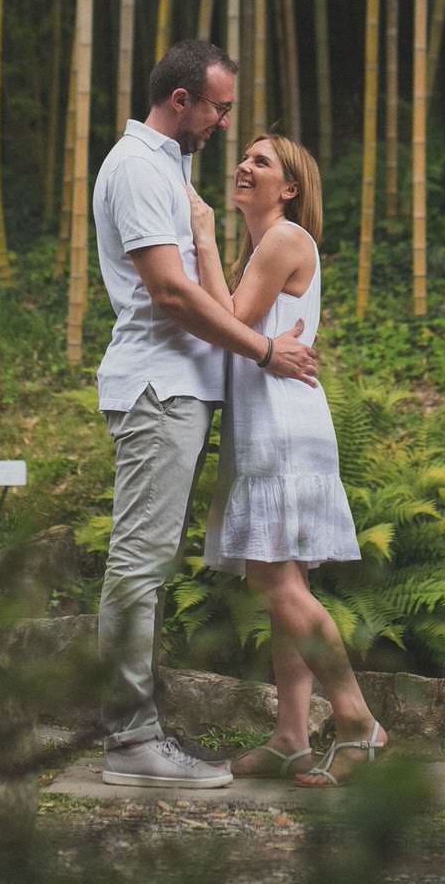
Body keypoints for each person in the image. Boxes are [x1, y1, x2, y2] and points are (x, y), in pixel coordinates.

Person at [92, 40, 321, 789]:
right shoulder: (136, 167)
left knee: (149, 562)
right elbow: (170, 293)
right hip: (158, 391)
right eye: (220, 107)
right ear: (183, 100)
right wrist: (262, 350)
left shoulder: (170, 167)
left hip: (180, 392)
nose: (225, 122)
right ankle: (129, 741)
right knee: (139, 561)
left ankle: (140, 729)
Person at [189, 134, 385, 787]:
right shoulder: (266, 246)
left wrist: (203, 234)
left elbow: (227, 317)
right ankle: (291, 738)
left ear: (291, 187)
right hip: (271, 422)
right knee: (285, 587)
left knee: (275, 584)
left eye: (262, 161)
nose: (244, 165)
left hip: (281, 428)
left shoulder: (283, 238)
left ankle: (359, 719)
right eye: (243, 156)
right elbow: (245, 331)